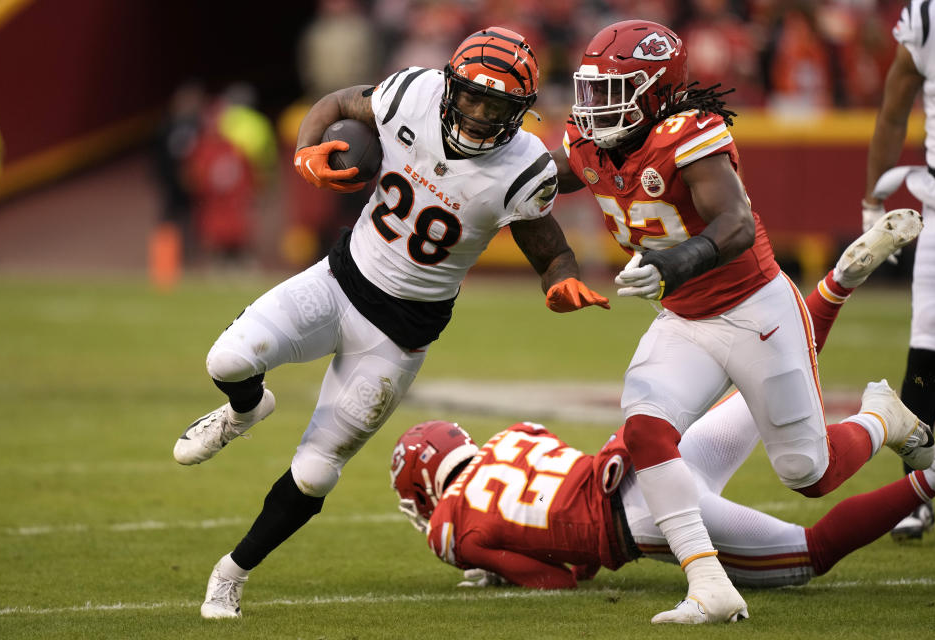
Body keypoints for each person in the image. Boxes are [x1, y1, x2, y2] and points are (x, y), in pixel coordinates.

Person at [172, 27, 609, 619]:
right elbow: (336, 104)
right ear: (451, 86)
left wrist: (560, 277)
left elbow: (547, 245)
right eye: (472, 98)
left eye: (498, 105)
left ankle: (231, 573)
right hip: (338, 279)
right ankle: (246, 410)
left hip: (399, 334)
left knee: (317, 472)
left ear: (521, 112)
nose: (480, 115)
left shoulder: (523, 166)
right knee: (226, 360)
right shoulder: (416, 93)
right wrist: (306, 148)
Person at [546, 20, 934, 623]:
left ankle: (881, 418)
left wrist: (675, 263)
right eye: (592, 89)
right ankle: (709, 584)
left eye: (613, 89)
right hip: (683, 319)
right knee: (646, 427)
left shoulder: (690, 133)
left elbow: (731, 224)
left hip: (755, 312)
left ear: (655, 91)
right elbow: (537, 183)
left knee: (809, 473)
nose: (595, 106)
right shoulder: (589, 141)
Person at [391, 229, 935, 616]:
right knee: (765, 377)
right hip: (638, 457)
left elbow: (564, 577)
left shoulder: (449, 525)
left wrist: (495, 565)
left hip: (643, 518)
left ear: (424, 486)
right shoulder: (515, 436)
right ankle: (834, 288)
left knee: (812, 553)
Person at [862, 0, 935, 541]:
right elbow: (894, 108)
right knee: (927, 346)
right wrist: (874, 199)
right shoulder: (932, 14)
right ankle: (916, 494)